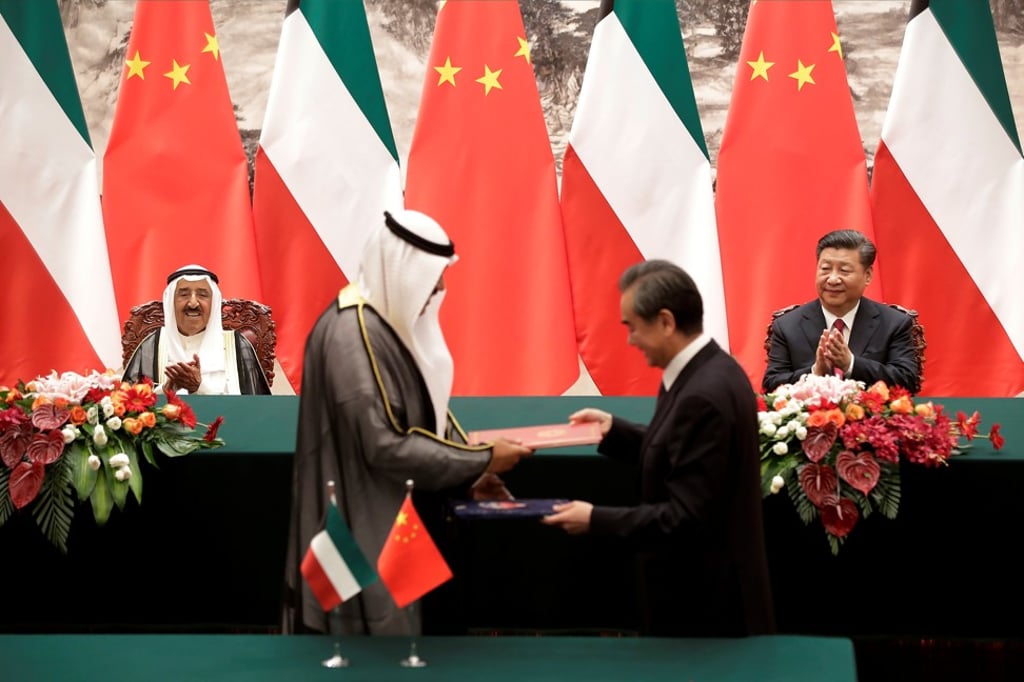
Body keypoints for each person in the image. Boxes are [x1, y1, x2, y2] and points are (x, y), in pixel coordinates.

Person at [282, 209, 532, 636]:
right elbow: (387, 445)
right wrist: (482, 460)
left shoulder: (383, 323)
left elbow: (427, 413)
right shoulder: (351, 335)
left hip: (406, 516)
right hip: (366, 519)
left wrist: (471, 472)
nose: (440, 287)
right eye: (432, 274)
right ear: (401, 271)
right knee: (373, 654)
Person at [543, 260, 775, 637]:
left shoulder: (702, 394)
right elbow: (680, 450)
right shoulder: (711, 369)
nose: (630, 340)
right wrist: (613, 430)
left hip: (704, 611)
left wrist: (594, 518)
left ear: (666, 322)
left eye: (632, 327)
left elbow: (685, 518)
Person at [762, 229, 921, 393]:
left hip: (872, 417)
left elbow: (907, 380)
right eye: (825, 268)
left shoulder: (894, 323)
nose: (832, 279)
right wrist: (815, 372)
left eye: (844, 271)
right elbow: (772, 385)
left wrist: (851, 364)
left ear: (867, 275)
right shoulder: (787, 325)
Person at [122, 265, 271, 395]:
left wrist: (199, 388)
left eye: (202, 295)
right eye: (184, 294)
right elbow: (128, 412)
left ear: (213, 303)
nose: (193, 303)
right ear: (171, 302)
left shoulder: (237, 345)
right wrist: (165, 392)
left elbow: (258, 412)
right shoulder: (151, 346)